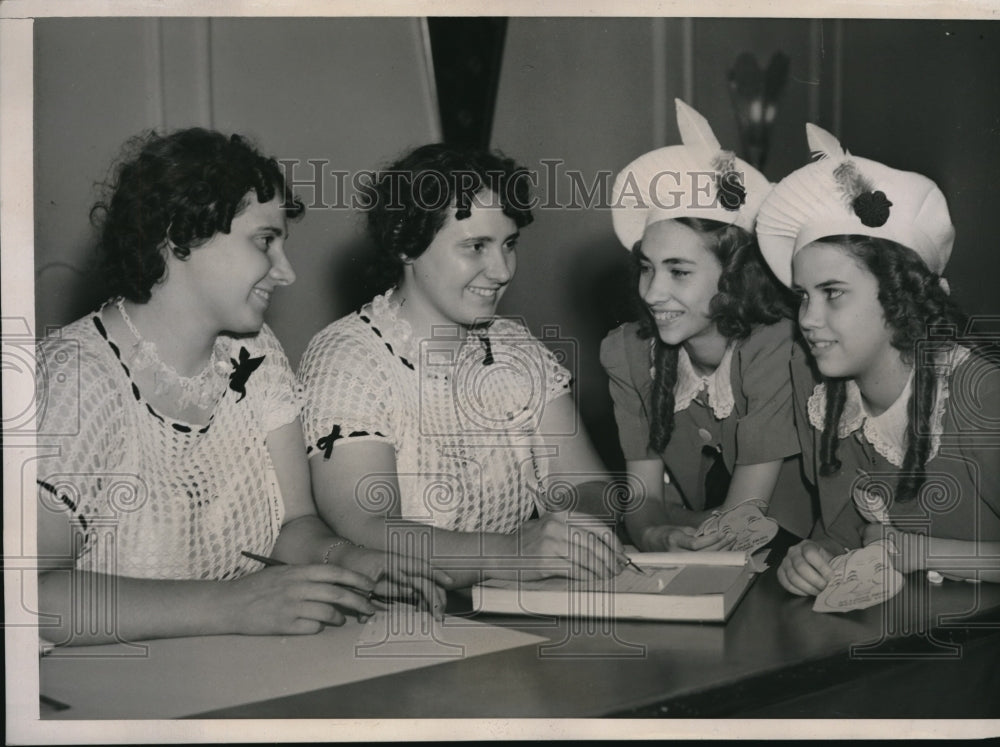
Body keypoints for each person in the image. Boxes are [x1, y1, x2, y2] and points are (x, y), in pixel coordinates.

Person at [36, 128, 443, 647]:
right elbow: (28, 595)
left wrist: (354, 563)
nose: (286, 272)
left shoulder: (255, 354)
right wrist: (233, 604)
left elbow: (294, 524)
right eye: (265, 241)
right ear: (180, 235)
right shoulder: (71, 383)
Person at [299, 143, 628, 587]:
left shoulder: (518, 350)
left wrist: (570, 530)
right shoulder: (348, 358)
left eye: (509, 244)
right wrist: (513, 552)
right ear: (404, 244)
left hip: (512, 610)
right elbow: (364, 524)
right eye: (476, 247)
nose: (502, 270)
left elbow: (589, 485)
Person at [756, 123, 1000, 595]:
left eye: (833, 294)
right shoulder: (822, 392)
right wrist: (811, 555)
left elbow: (893, 547)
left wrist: (921, 551)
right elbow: (844, 533)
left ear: (901, 299)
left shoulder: (980, 394)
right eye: (802, 296)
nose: (808, 318)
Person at [602, 99, 815, 555]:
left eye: (678, 271)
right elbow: (642, 504)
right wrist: (656, 532)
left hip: (790, 561)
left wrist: (674, 522)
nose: (652, 292)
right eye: (646, 268)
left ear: (735, 275)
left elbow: (742, 521)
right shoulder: (627, 353)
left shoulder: (776, 349)